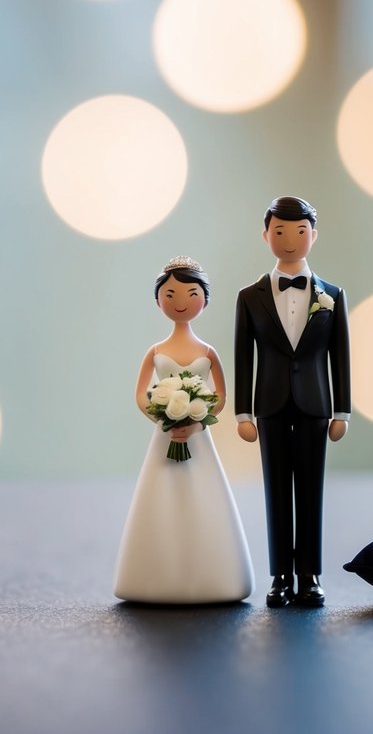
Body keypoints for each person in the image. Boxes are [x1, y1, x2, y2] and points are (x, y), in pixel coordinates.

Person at [113, 256, 254, 604]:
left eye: (190, 294)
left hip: (198, 436)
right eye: (170, 294)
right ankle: (155, 575)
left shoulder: (207, 351)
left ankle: (212, 575)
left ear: (204, 300)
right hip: (165, 436)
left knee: (203, 497)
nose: (179, 302)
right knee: (160, 498)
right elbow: (140, 393)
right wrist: (164, 417)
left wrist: (196, 419)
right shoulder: (156, 351)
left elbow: (220, 396)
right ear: (158, 300)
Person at [235, 196, 351, 608]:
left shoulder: (333, 295)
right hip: (268, 403)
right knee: (276, 490)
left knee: (311, 491)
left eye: (299, 231)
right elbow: (243, 357)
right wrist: (243, 412)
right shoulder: (249, 297)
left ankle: (310, 574)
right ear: (265, 235)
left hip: (316, 405)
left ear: (313, 236)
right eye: (280, 231)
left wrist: (342, 411)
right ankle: (280, 575)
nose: (289, 240)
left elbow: (340, 356)